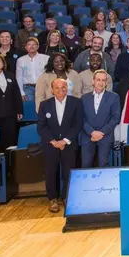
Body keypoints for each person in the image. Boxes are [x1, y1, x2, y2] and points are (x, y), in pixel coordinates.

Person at [37, 78, 82, 213]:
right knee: (51, 172)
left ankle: (67, 197)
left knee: (69, 172)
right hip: (51, 145)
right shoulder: (44, 105)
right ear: (52, 90)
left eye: (63, 87)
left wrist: (65, 141)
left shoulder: (76, 102)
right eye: (57, 88)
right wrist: (54, 142)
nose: (61, 90)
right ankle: (52, 199)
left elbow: (78, 124)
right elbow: (41, 127)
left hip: (69, 144)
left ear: (67, 88)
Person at [80, 70, 121, 168]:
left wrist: (101, 133)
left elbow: (115, 118)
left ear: (106, 83)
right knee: (86, 165)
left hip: (105, 136)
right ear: (93, 81)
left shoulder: (114, 97)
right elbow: (81, 118)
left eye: (103, 80)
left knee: (103, 165)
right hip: (87, 136)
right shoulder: (84, 98)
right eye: (98, 80)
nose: (100, 83)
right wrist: (92, 132)